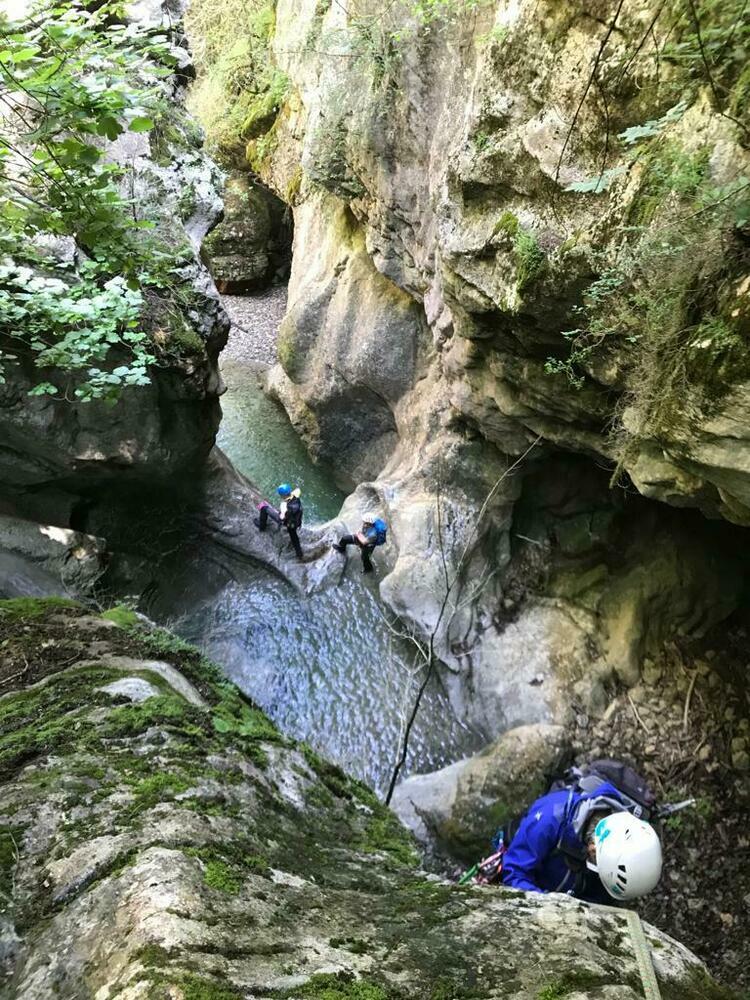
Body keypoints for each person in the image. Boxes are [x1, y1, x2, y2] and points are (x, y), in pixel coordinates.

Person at [500, 779, 662, 903]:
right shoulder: (549, 819)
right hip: (538, 878)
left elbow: (601, 899)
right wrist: (548, 906)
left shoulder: (624, 834)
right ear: (592, 850)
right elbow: (514, 872)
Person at [254, 483, 303, 559]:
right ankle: (299, 554)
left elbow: (282, 517)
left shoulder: (285, 505)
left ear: (283, 495)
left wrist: (283, 510)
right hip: (296, 523)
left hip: (286, 521)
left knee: (264, 507)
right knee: (294, 537)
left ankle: (261, 526)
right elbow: (298, 490)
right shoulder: (295, 495)